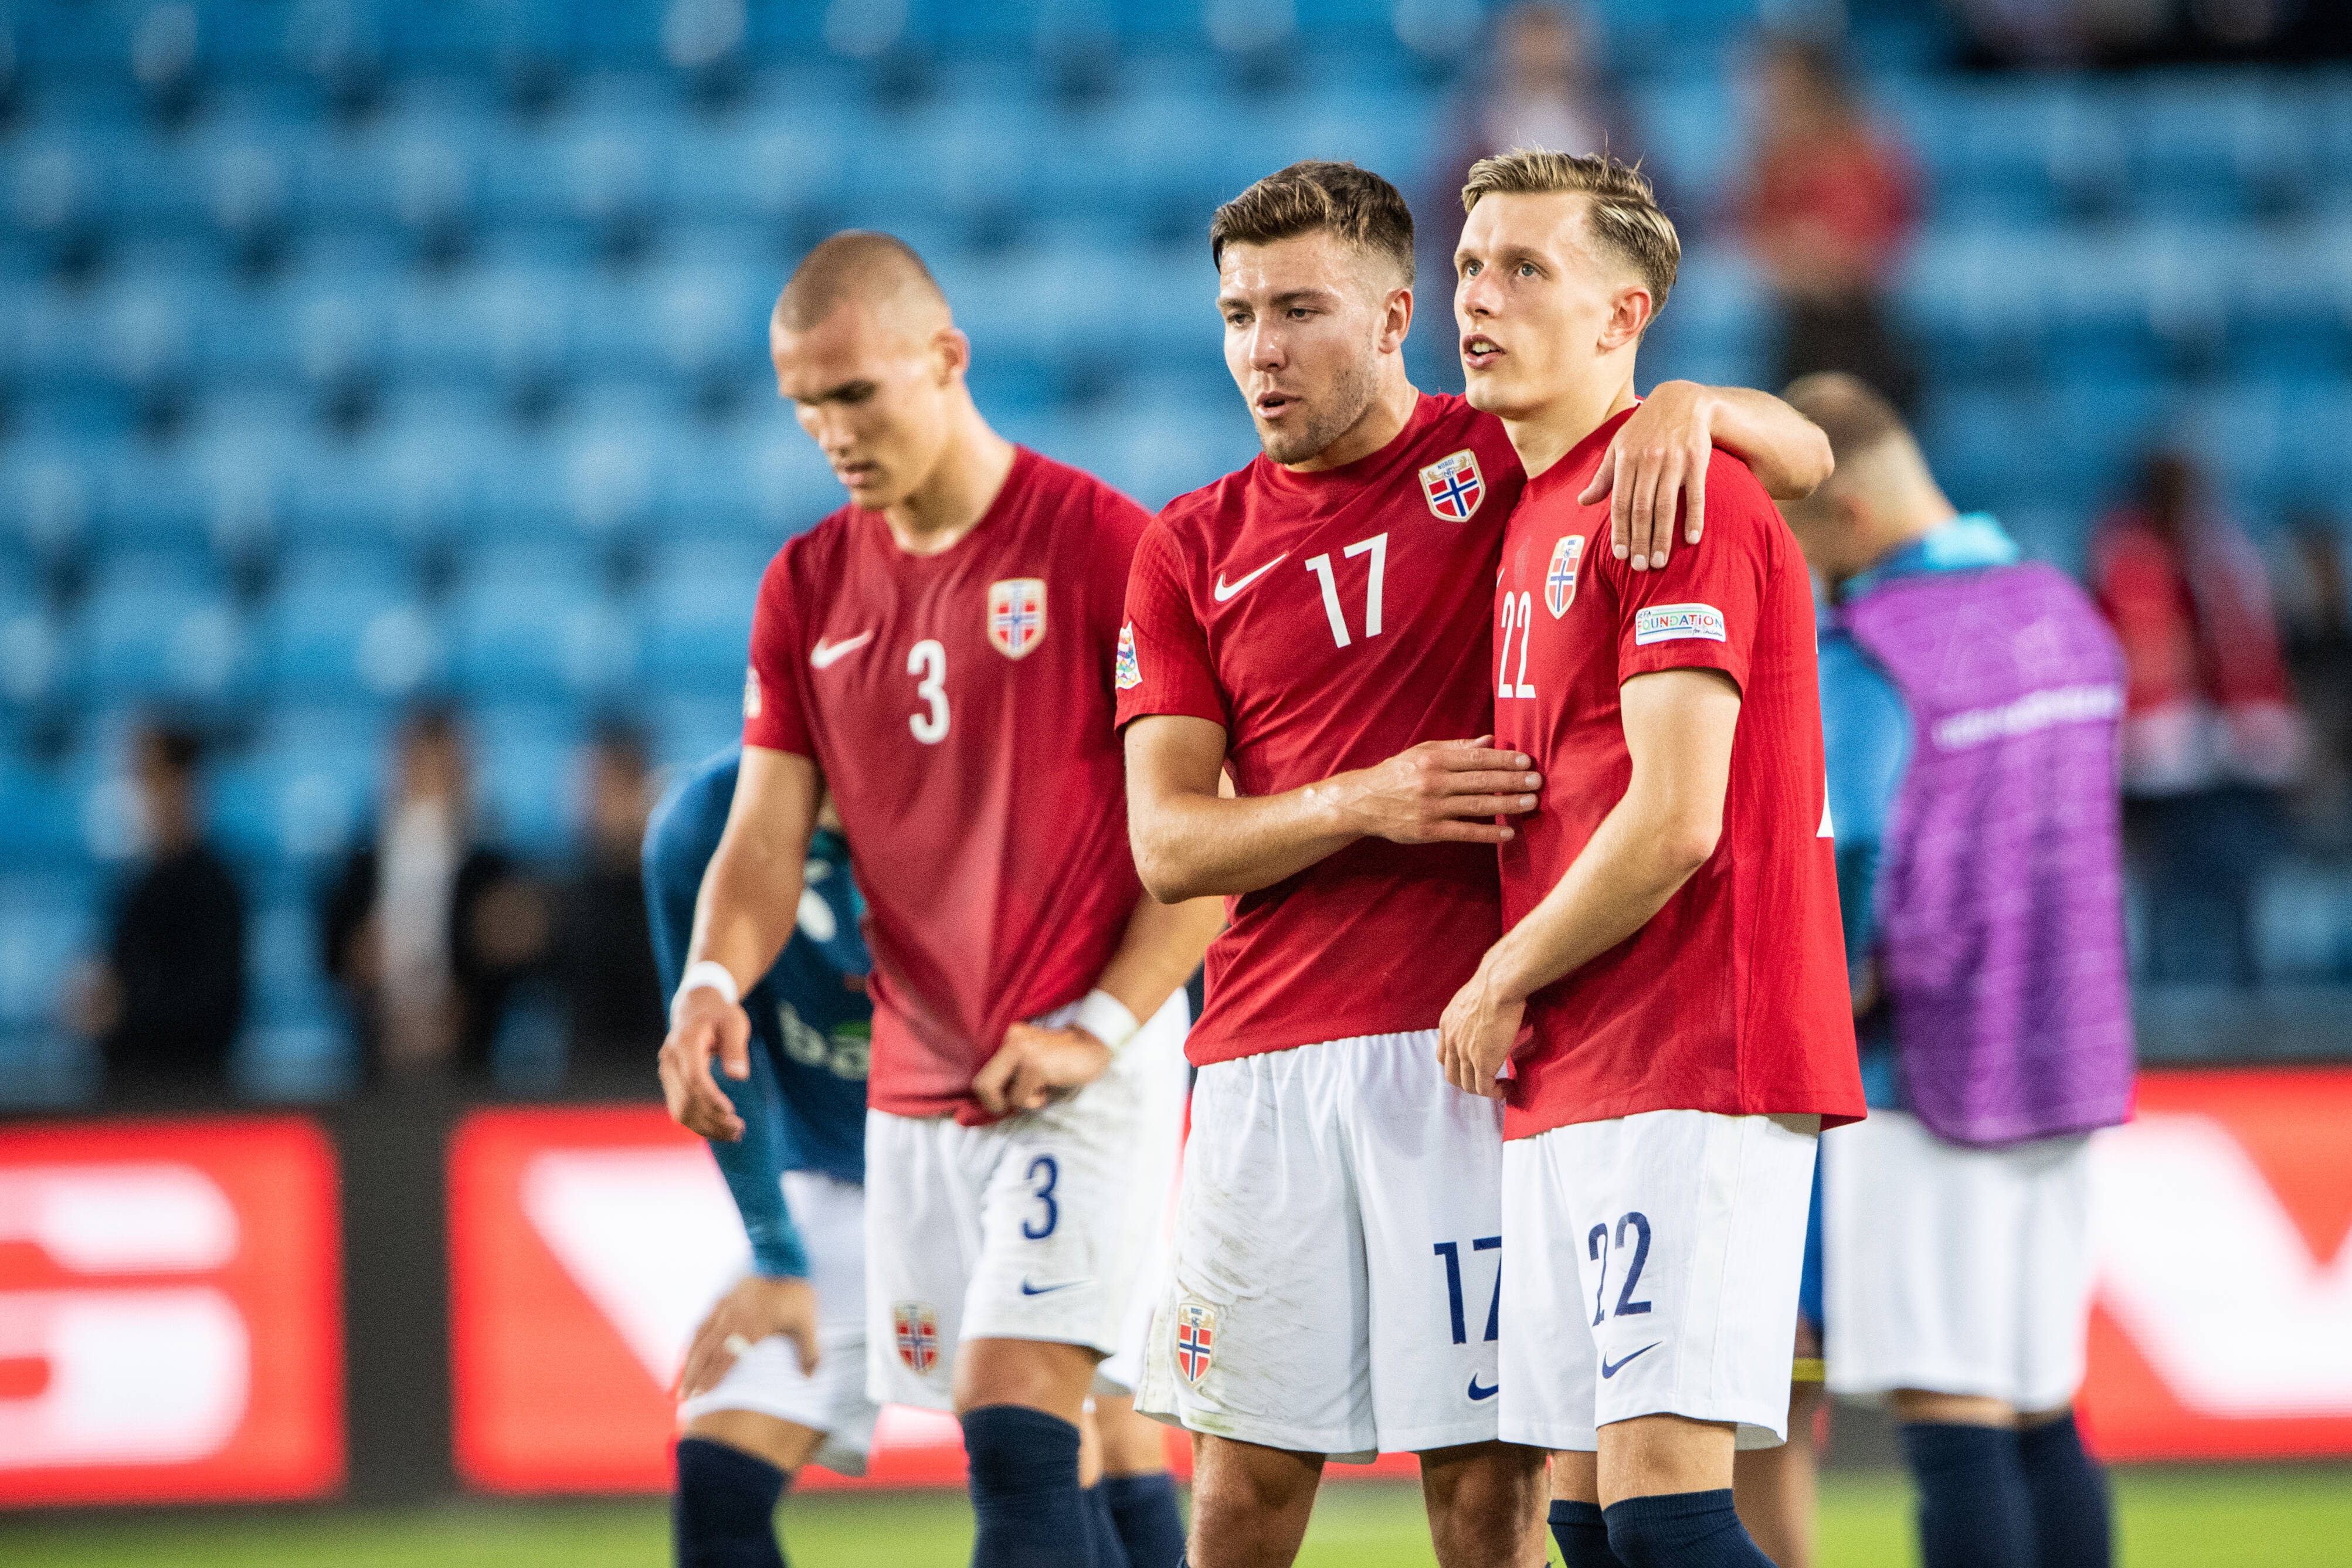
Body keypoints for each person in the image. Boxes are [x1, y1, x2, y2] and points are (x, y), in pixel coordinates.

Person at [1118, 159, 1831, 1568]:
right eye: (1238, 314)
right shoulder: (1187, 546)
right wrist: (1360, 800)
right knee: (1241, 1492)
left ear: (1393, 319)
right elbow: (1165, 845)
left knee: (1500, 1497)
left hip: (1477, 1052)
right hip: (1266, 1058)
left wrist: (1698, 402)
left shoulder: (1514, 456)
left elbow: (1803, 459)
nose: (1262, 348)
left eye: (1300, 309)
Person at [659, 232, 1217, 1568]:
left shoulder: (1100, 545)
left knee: (1020, 1424)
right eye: (806, 407)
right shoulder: (806, 587)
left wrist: (1104, 1024)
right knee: (1066, 1431)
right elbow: (760, 839)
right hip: (919, 1085)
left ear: (947, 358)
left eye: (856, 395)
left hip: (1088, 1058)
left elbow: (1201, 832)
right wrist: (709, 982)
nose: (832, 433)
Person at [1435, 150, 1864, 1568]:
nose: (1477, 298)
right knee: (1587, 1520)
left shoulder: (1674, 489)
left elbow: (1680, 818)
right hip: (1580, 1057)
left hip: (1698, 1044)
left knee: (1672, 1517)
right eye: (1468, 267)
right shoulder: (1534, 502)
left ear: (1624, 317)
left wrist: (1501, 969)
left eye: (1523, 270)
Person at [1782, 372, 2131, 1568]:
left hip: (1925, 1073)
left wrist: (1823, 995)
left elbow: (1854, 840)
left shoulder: (1877, 643)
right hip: (2071, 1053)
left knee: (1950, 1423)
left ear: (1849, 517)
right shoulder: (2063, 609)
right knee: (2039, 1408)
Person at [647, 747, 877, 1568]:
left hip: (992, 1156)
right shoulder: (699, 826)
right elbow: (716, 1062)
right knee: (717, 1474)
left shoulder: (977, 786)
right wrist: (777, 1252)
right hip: (838, 1183)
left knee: (1074, 1459)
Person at [2089, 450, 2305, 985]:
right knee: (2159, 899)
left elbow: (2247, 656)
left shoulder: (2222, 551)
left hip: (2227, 762)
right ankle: (2159, 1007)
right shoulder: (2125, 555)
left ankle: (2250, 1008)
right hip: (2149, 768)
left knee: (2237, 888)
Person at [323, 704, 548, 1082]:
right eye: (420, 765)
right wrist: (358, 966)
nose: (431, 780)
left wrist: (470, 999)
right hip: (376, 1068)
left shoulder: (492, 868)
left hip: (471, 1067)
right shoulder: (359, 864)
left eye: (443, 767)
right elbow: (334, 956)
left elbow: (519, 961)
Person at [1736, 38, 1920, 415]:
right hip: (1796, 328)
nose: (1767, 96)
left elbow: (1875, 248)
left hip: (1862, 325)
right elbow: (1756, 243)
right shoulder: (1769, 161)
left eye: (1780, 84)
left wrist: (1816, 257)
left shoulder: (1863, 152)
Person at [78, 722, 247, 1103]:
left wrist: (124, 1011)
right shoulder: (134, 887)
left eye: (152, 776)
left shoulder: (218, 890)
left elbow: (214, 1009)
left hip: (191, 1101)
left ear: (184, 783)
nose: (143, 792)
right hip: (127, 1094)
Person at [558, 718, 668, 1089]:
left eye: (618, 787)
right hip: (583, 1089)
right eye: (597, 787)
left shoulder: (674, 889)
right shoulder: (564, 895)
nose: (606, 804)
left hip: (658, 1088)